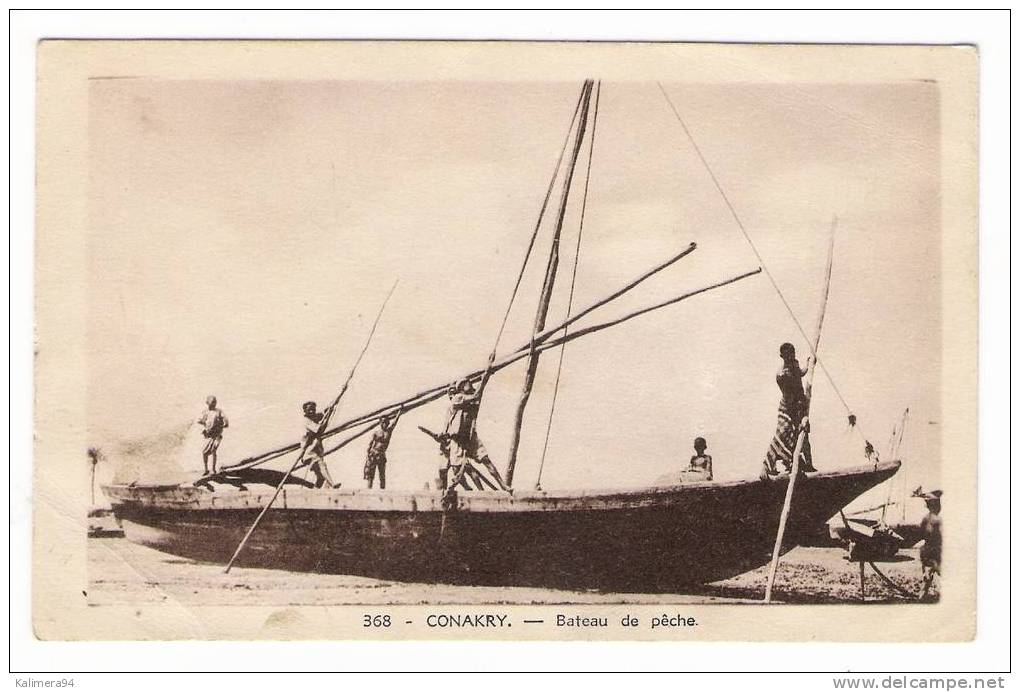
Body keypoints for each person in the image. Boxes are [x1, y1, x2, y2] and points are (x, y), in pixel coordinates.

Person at [444, 366, 510, 492]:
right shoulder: (457, 398)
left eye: (468, 382)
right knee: (458, 469)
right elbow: (477, 394)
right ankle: (476, 491)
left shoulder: (473, 401)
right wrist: (486, 375)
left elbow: (478, 393)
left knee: (486, 460)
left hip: (470, 437)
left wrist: (486, 376)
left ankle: (503, 485)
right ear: (461, 387)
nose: (469, 383)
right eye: (466, 383)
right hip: (458, 440)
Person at [762, 342, 817, 478]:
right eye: (788, 356)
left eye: (792, 354)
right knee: (783, 435)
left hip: (798, 406)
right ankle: (772, 465)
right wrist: (798, 411)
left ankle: (807, 464)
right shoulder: (782, 375)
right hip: (788, 408)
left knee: (804, 436)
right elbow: (789, 396)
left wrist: (809, 364)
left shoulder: (795, 364)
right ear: (783, 357)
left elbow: (801, 373)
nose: (791, 357)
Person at [301, 401, 340, 489]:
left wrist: (329, 411)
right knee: (321, 464)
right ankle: (332, 484)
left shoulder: (314, 418)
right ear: (305, 411)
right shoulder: (307, 421)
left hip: (315, 451)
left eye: (313, 409)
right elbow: (319, 429)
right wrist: (325, 420)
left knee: (321, 478)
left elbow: (324, 413)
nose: (312, 411)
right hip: (309, 453)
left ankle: (314, 491)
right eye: (309, 409)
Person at [364, 408, 403, 489]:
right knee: (370, 476)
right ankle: (368, 490)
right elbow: (370, 445)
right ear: (380, 423)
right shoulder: (376, 433)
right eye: (383, 422)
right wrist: (368, 455)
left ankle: (382, 491)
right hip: (373, 454)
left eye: (386, 422)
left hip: (381, 455)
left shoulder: (388, 432)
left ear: (387, 423)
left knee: (382, 475)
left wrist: (399, 413)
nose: (385, 424)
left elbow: (394, 423)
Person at [919, 490, 942, 601]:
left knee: (927, 579)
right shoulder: (938, 520)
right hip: (935, 552)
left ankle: (922, 598)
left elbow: (921, 534)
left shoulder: (925, 519)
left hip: (927, 552)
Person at [196, 395, 229, 475]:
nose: (214, 404)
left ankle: (213, 470)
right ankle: (206, 469)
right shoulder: (205, 412)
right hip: (208, 435)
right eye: (212, 402)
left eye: (215, 402)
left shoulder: (219, 411)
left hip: (217, 435)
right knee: (204, 452)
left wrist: (225, 424)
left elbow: (225, 419)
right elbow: (199, 420)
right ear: (207, 403)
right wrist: (205, 426)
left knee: (214, 450)